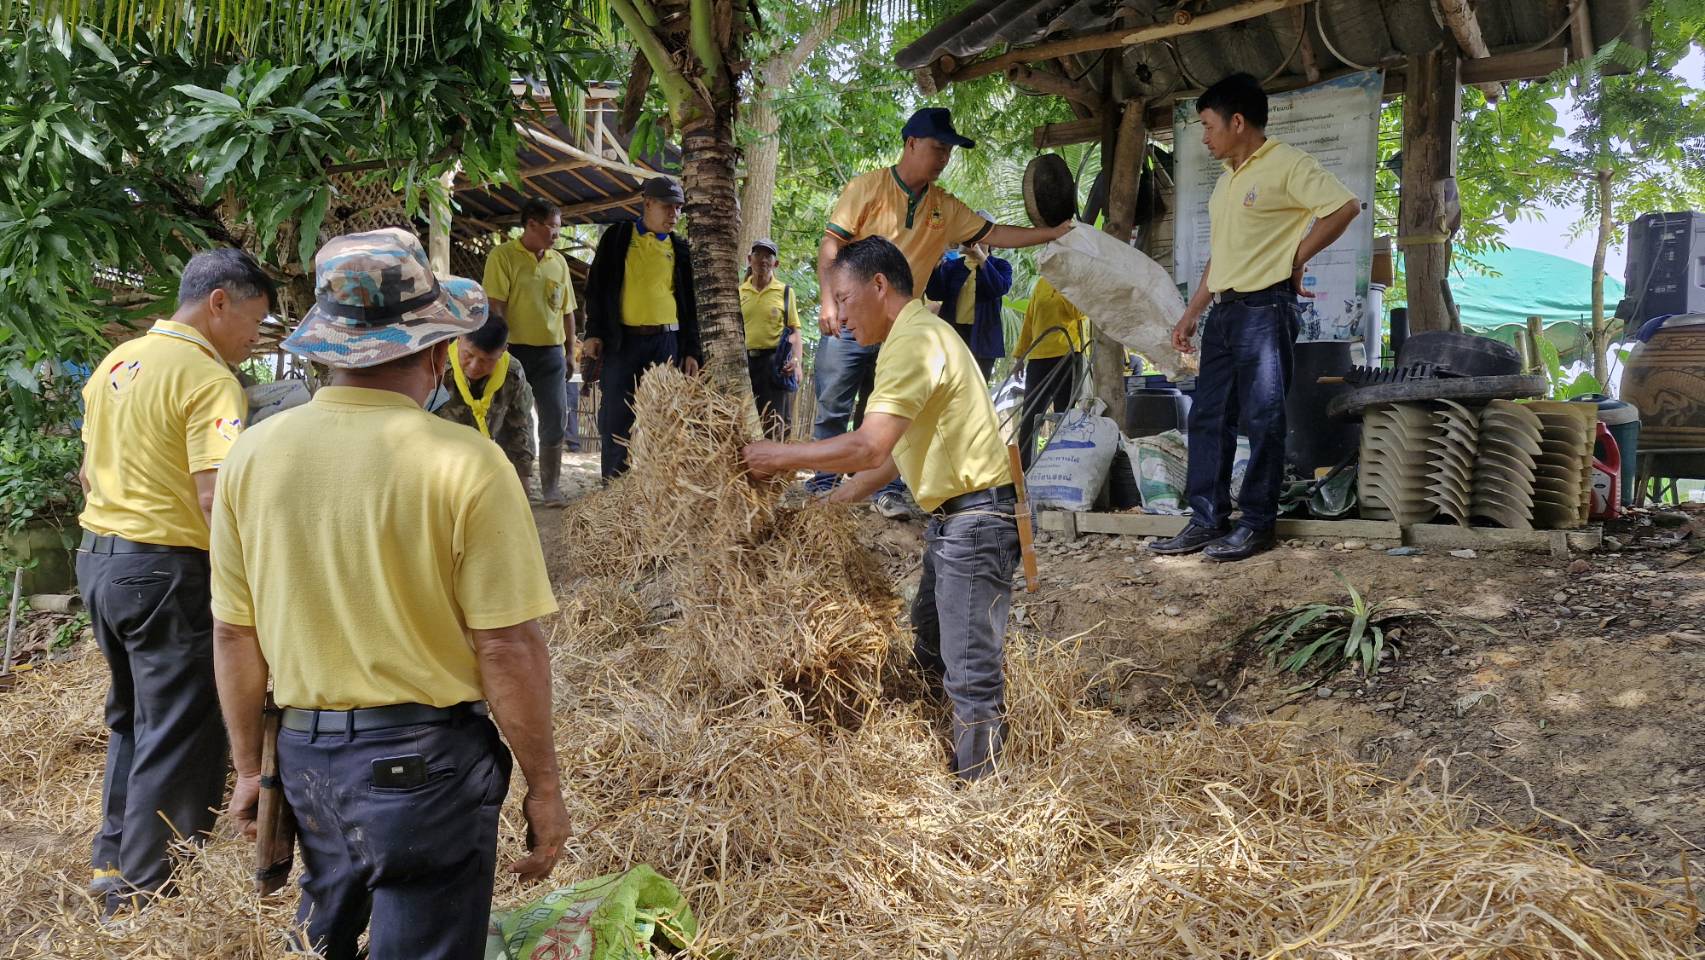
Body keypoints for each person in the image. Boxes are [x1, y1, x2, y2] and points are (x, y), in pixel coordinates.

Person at [210, 228, 567, 960]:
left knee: (323, 934)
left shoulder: (252, 455)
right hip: (425, 766)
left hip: (306, 763)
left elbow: (233, 635)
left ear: (329, 348)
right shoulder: (468, 464)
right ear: (435, 352)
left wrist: (250, 770)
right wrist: (544, 787)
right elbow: (506, 646)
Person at [744, 237, 1018, 782]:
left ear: (878, 285)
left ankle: (982, 790)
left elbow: (868, 447)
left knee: (971, 671)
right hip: (955, 519)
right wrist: (832, 501)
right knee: (930, 643)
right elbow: (892, 455)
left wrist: (779, 456)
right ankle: (939, 753)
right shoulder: (916, 337)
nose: (840, 317)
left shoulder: (914, 342)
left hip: (975, 521)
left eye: (844, 299)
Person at [76, 248, 273, 914]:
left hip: (101, 564)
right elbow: (214, 494)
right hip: (167, 570)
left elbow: (87, 473)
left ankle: (112, 862)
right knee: (180, 729)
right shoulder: (208, 379)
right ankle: (142, 894)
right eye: (254, 321)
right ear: (218, 303)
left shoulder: (116, 363)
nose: (255, 339)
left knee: (134, 718)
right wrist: (247, 586)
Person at [813, 107, 1070, 520]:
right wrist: (830, 299)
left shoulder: (944, 207)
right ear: (911, 143)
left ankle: (887, 493)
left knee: (892, 415)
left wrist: (1051, 233)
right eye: (938, 148)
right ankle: (822, 490)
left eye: (949, 151)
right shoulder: (867, 188)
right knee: (834, 400)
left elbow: (995, 233)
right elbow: (831, 244)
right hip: (852, 316)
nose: (945, 158)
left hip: (900, 329)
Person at [1150, 72, 1361, 562]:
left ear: (1238, 122)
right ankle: (1207, 519)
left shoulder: (1288, 163)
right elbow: (1222, 255)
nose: (1205, 137)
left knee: (1264, 418)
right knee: (1208, 416)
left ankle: (1258, 524)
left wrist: (1293, 258)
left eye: (1208, 126)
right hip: (1224, 313)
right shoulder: (1227, 182)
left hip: (1266, 310)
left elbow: (1344, 207)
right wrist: (1191, 313)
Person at [583, 176, 703, 479]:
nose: (674, 214)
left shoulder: (680, 248)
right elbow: (597, 288)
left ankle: (656, 487)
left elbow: (691, 306)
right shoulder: (618, 237)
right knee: (615, 417)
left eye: (679, 208)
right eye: (668, 207)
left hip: (666, 344)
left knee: (664, 420)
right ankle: (614, 488)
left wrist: (692, 350)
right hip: (622, 343)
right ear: (647, 203)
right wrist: (594, 332)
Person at [484, 197, 579, 504]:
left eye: (558, 227)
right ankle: (512, 486)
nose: (557, 234)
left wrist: (569, 351)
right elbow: (496, 305)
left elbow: (567, 311)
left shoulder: (558, 262)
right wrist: (500, 347)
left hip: (551, 354)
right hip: (513, 353)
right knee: (511, 417)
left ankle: (551, 488)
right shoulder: (503, 256)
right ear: (531, 225)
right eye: (552, 227)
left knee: (556, 416)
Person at [432, 315, 537, 484]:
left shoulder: (512, 374)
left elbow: (518, 429)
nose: (474, 366)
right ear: (459, 338)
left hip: (484, 461)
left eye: (486, 360)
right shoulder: (436, 368)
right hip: (440, 461)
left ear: (503, 350)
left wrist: (521, 481)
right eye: (468, 355)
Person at [1013, 276, 1088, 470]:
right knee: (1030, 415)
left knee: (1064, 415)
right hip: (1038, 358)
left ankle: (1065, 466)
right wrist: (1020, 355)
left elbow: (1079, 313)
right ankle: (1023, 470)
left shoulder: (1074, 281)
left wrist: (1063, 286)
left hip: (1066, 355)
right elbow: (1029, 320)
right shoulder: (1041, 283)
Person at [925, 230, 1013, 382]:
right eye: (970, 238)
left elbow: (999, 288)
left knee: (977, 386)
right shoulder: (952, 266)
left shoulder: (1000, 265)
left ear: (991, 243)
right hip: (953, 334)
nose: (974, 243)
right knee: (947, 383)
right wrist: (936, 264)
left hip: (982, 338)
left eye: (980, 239)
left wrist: (981, 257)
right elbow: (934, 293)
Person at [739, 238, 802, 441]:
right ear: (749, 259)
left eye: (768, 256)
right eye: (758, 255)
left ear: (776, 263)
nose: (762, 260)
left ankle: (778, 458)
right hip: (745, 364)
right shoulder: (739, 292)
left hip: (774, 364)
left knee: (776, 422)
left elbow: (794, 330)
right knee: (744, 420)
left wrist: (796, 362)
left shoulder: (785, 292)